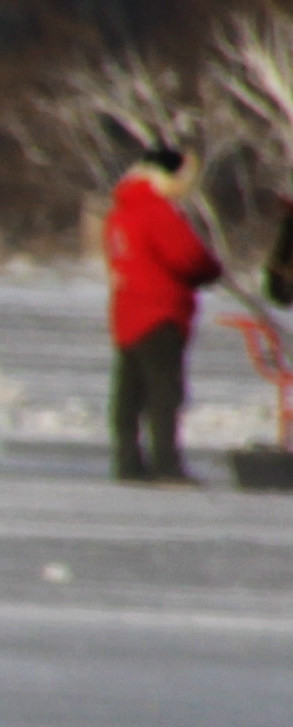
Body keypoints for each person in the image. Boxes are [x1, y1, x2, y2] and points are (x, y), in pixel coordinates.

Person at [104, 143, 220, 484]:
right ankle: (166, 464)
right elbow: (189, 257)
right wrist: (211, 270)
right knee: (164, 392)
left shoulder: (121, 213)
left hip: (128, 314)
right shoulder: (157, 212)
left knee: (129, 392)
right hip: (161, 313)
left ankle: (127, 461)